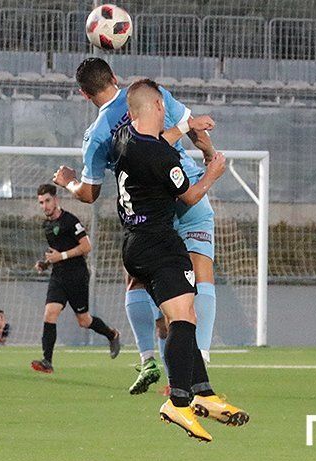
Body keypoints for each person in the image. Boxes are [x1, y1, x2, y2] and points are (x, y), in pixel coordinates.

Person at [65, 79, 246, 442]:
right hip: (161, 243)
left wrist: (184, 128)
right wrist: (213, 173)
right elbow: (191, 195)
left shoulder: (123, 141)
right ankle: (178, 401)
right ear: (160, 107)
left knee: (185, 316)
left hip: (136, 244)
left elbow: (157, 142)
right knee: (182, 318)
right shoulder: (163, 157)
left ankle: (204, 393)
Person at [52, 57, 218, 396]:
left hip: (148, 210)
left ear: (85, 94)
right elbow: (191, 129)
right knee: (200, 274)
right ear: (115, 76)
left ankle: (148, 359)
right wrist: (207, 150)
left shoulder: (96, 135)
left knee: (141, 282)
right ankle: (198, 359)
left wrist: (67, 182)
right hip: (187, 185)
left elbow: (90, 193)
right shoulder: (148, 94)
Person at [30, 183, 121, 374]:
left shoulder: (71, 221)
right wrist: (46, 263)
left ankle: (112, 334)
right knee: (50, 313)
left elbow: (86, 247)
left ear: (56, 199)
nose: (44, 206)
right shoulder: (47, 225)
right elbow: (56, 251)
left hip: (77, 276)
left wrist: (61, 257)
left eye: (47, 201)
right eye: (41, 202)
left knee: (84, 320)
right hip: (59, 276)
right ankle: (47, 360)